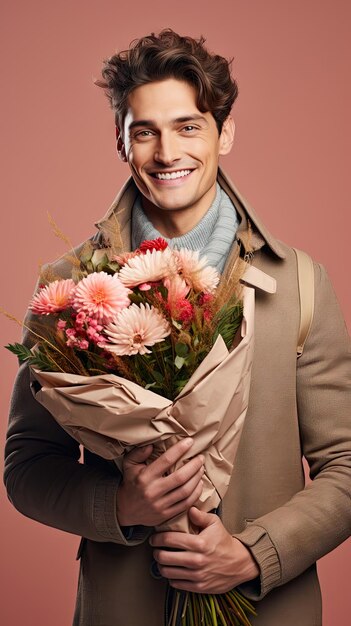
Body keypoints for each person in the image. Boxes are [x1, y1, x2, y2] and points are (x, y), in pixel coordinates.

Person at [4, 29, 350, 626]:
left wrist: (251, 555)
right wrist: (117, 504)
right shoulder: (67, 289)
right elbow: (27, 464)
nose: (168, 153)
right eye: (145, 131)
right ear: (121, 141)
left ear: (225, 132)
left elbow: (347, 460)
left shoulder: (300, 283)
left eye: (189, 126)